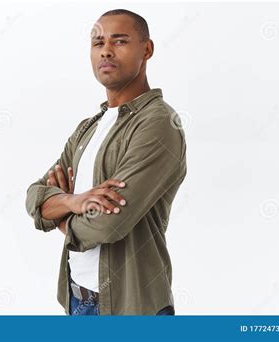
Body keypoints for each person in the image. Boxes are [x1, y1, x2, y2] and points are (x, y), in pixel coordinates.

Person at [25, 9, 187, 315]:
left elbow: (107, 224)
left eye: (120, 41)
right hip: (77, 299)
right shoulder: (89, 127)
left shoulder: (159, 123)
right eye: (98, 43)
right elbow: (35, 196)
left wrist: (58, 213)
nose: (106, 51)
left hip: (131, 306)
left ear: (147, 49)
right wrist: (74, 202)